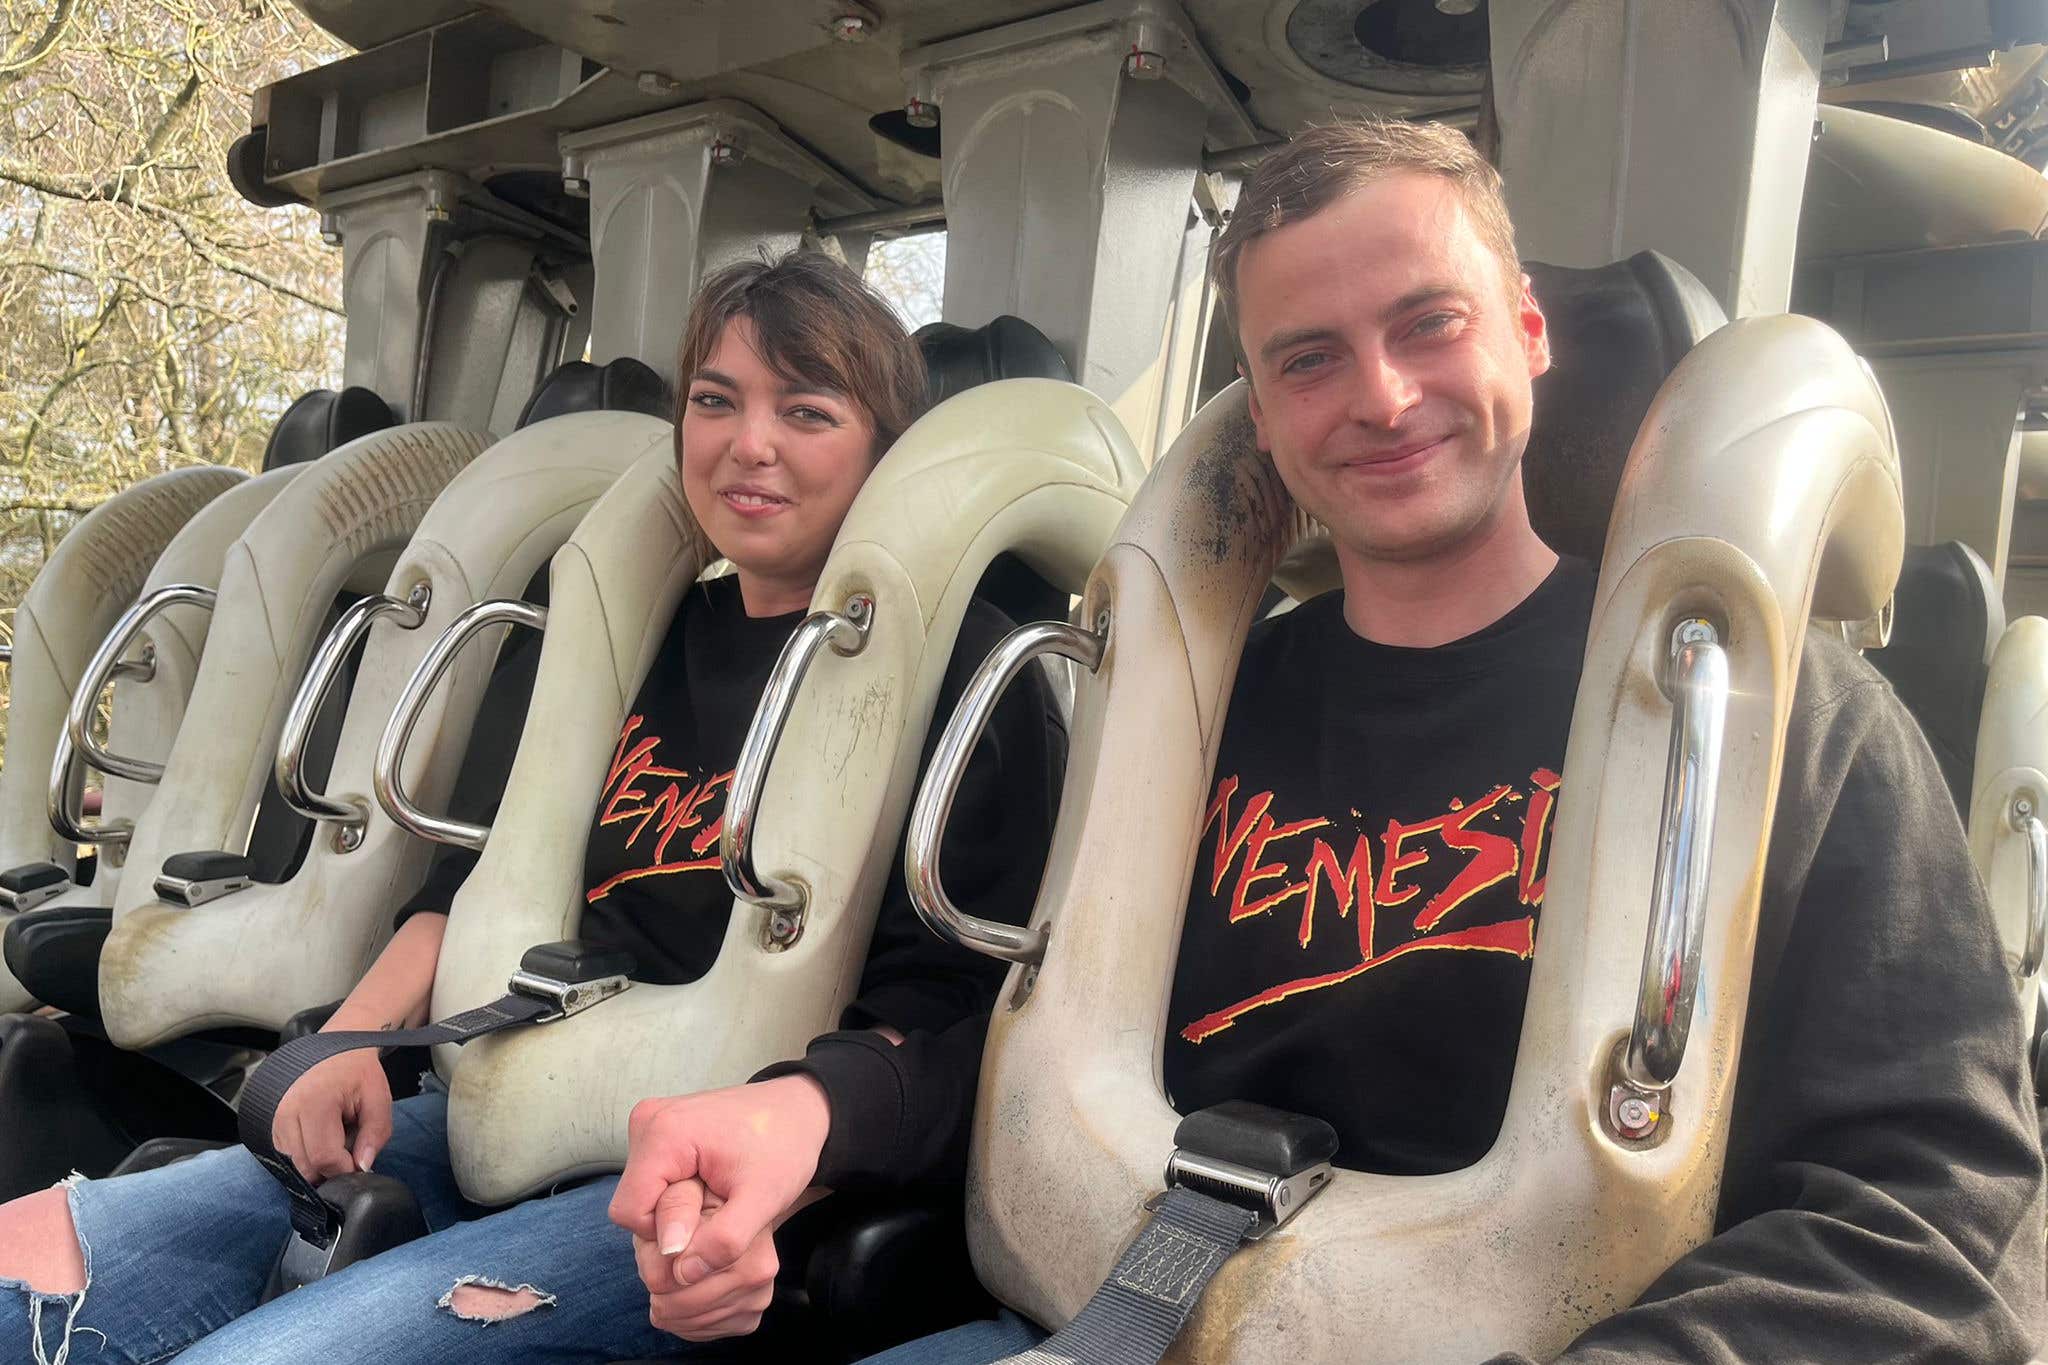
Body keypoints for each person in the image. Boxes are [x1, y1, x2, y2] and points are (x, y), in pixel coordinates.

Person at [613, 120, 2048, 1364]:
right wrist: (813, 1113)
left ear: (1529, 335)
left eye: (1431, 323)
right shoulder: (1186, 716)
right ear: (1258, 410)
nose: (1380, 396)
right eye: (1308, 359)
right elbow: (1032, 1031)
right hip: (1116, 1312)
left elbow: (1936, 1207)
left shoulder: (1771, 723)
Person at [0, 250, 1064, 1363]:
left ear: (883, 451)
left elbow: (947, 1007)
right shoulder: (624, 642)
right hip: (495, 1102)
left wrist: (765, 1182)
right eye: (715, 402)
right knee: (30, 1254)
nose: (749, 445)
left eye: (805, 411)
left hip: (722, 1179)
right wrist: (350, 1040)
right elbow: (475, 884)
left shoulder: (975, 676)